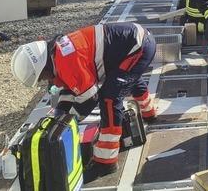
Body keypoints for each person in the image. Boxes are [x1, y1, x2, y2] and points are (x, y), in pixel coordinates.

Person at [10, 22, 156, 181]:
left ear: (44, 67)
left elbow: (89, 99)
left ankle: (106, 162)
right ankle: (149, 113)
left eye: (43, 77)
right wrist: (60, 113)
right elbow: (72, 87)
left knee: (109, 98)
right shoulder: (58, 53)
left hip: (138, 47)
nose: (46, 80)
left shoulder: (66, 61)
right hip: (132, 44)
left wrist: (66, 122)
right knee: (126, 78)